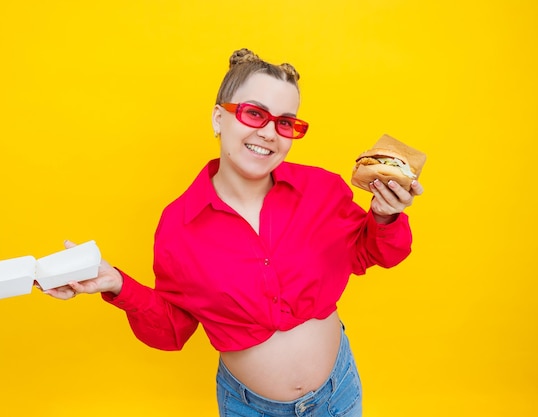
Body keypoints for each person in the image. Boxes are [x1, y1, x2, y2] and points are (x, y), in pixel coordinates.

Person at [45, 48, 424, 417]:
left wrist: (385, 216)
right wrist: (117, 285)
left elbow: (372, 254)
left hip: (337, 394)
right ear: (217, 119)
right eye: (254, 113)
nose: (270, 133)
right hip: (248, 408)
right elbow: (172, 330)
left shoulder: (322, 190)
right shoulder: (180, 225)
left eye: (285, 122)